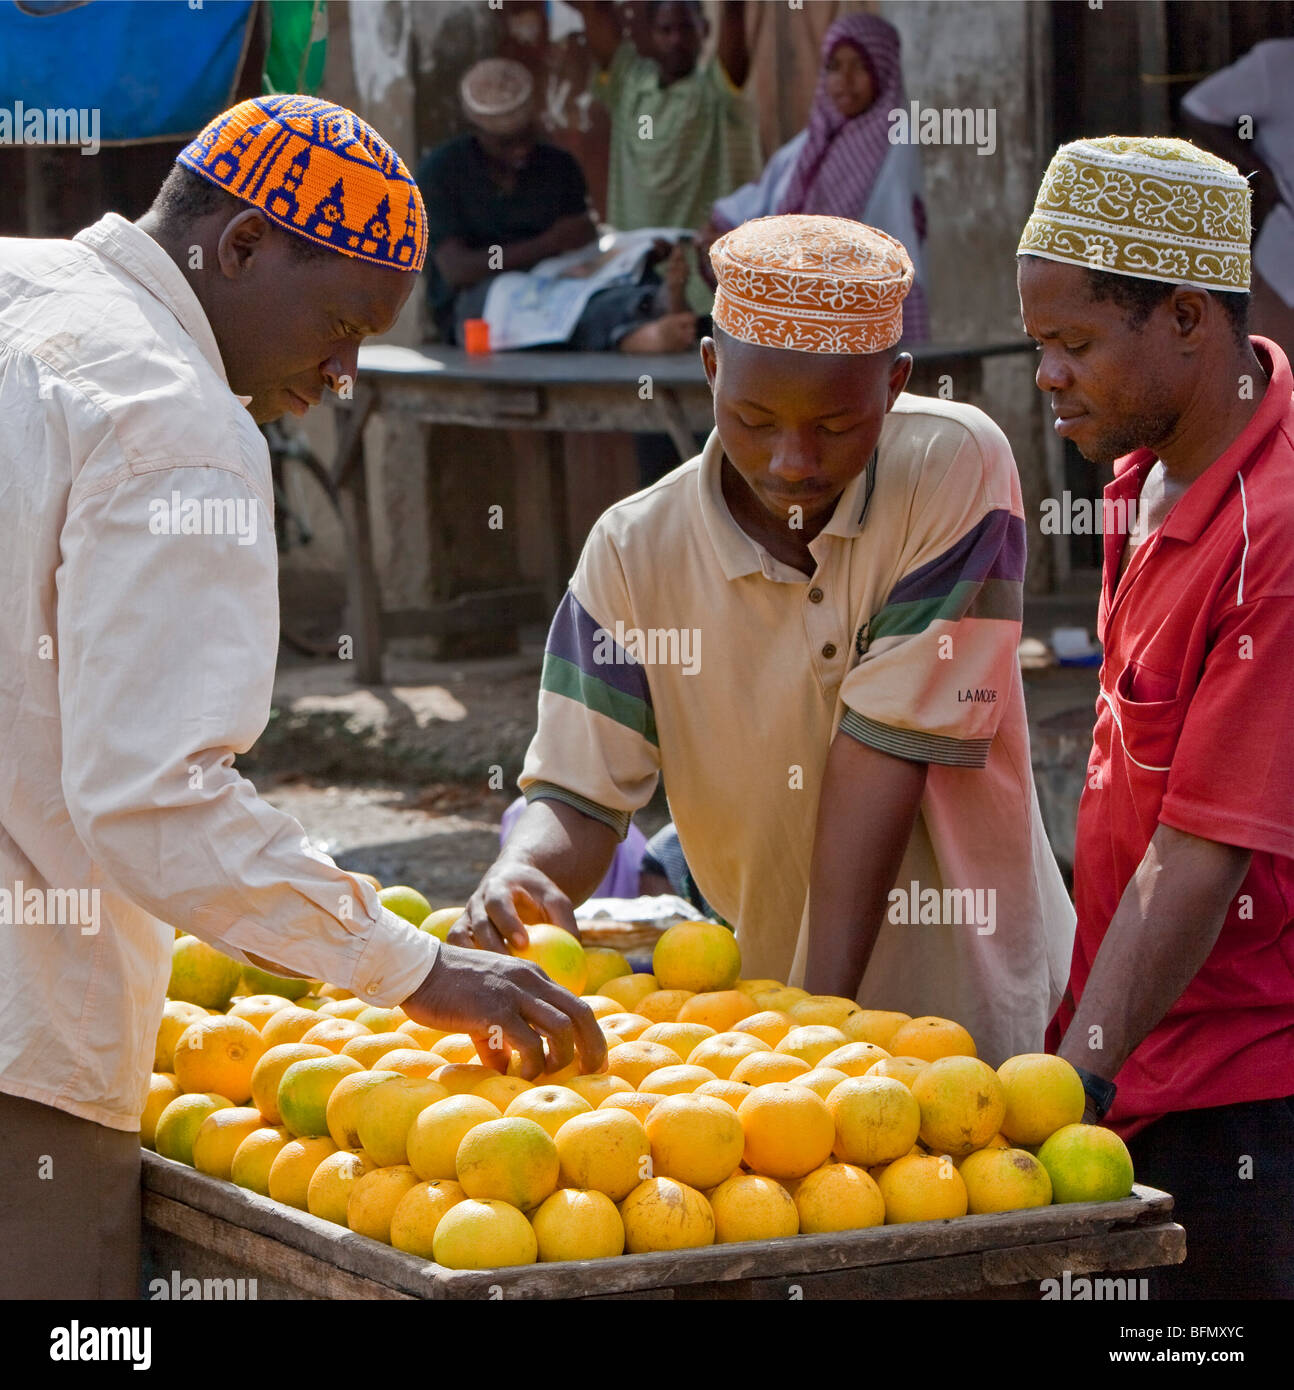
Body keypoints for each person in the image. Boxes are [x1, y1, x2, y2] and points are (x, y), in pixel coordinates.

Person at [0, 94, 602, 1301]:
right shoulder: (172, 417)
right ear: (235, 249)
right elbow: (151, 800)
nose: (339, 374)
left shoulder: (19, 290)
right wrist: (418, 970)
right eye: (337, 323)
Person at [452, 213, 1075, 1069]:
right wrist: (527, 875)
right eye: (752, 419)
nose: (792, 461)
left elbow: (885, 755)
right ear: (710, 368)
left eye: (835, 426)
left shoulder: (953, 466)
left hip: (966, 1025)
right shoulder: (634, 552)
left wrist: (817, 1027)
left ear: (893, 387)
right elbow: (581, 790)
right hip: (771, 1043)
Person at [1017, 135, 1294, 1298]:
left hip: (1248, 1085)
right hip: (1144, 1057)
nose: (1047, 376)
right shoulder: (1144, 472)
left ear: (1187, 318)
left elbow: (1201, 847)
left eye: (1074, 344)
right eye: (1039, 344)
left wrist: (1074, 1075)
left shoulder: (1276, 535)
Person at [419, 57, 697, 352]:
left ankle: (657, 304)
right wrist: (547, 244)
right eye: (506, 143)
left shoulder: (557, 164)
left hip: (560, 276)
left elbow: (582, 240)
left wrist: (632, 254)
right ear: (478, 133)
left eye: (527, 135)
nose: (522, 149)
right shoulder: (442, 171)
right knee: (545, 308)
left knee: (609, 284)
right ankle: (638, 335)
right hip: (481, 296)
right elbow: (457, 270)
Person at [698, 12, 930, 342]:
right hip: (796, 314)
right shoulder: (806, 148)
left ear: (884, 69)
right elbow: (761, 206)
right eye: (834, 66)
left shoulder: (894, 147)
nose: (845, 79)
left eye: (860, 66)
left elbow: (887, 245)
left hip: (857, 317)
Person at [572, 0, 762, 318]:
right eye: (666, 29)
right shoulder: (627, 84)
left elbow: (733, 9)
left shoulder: (717, 91)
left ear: (705, 31)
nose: (676, 39)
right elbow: (594, 9)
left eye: (686, 28)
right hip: (637, 273)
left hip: (705, 283)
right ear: (648, 34)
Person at [1181, 38, 1294, 361]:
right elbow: (1199, 108)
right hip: (1285, 275)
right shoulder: (1278, 64)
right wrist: (1261, 176)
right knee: (1274, 387)